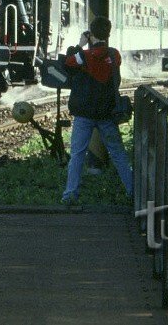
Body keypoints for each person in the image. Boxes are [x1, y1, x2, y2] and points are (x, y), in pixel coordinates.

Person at [61, 16, 134, 204]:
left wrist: (80, 44)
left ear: (91, 34)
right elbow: (114, 73)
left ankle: (70, 194)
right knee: (118, 154)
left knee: (77, 154)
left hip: (84, 114)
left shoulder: (83, 56)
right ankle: (133, 191)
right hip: (107, 114)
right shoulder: (114, 55)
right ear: (108, 34)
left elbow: (68, 63)